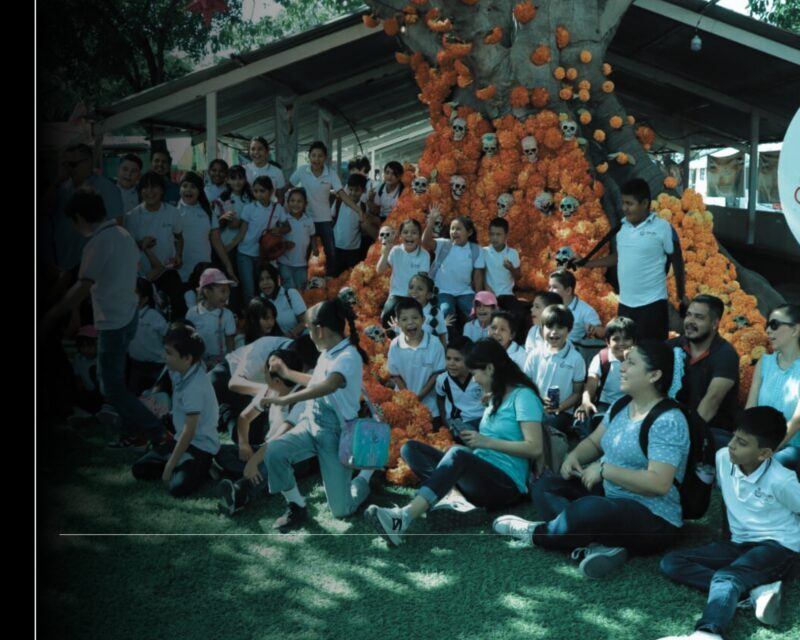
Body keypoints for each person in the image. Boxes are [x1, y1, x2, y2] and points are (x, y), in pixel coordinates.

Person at [494, 341, 690, 580]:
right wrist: (573, 456)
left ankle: (536, 533)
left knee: (590, 509)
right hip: (611, 500)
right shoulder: (621, 405)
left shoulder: (668, 420)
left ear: (654, 375)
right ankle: (597, 545)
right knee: (545, 486)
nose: (622, 367)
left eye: (631, 363)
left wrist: (606, 471)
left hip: (653, 518)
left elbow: (659, 483)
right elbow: (595, 443)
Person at [365, 338, 544, 546]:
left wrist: (484, 442)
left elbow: (534, 447)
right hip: (482, 473)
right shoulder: (496, 396)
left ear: (490, 368)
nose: (474, 380)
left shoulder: (523, 397)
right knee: (410, 449)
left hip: (506, 485)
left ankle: (404, 517)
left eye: (475, 373)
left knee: (458, 454)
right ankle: (458, 500)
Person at [658, 406, 800, 639]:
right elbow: (728, 501)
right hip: (739, 543)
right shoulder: (723, 457)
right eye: (734, 436)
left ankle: (708, 633)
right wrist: (727, 539)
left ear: (764, 453)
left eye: (743, 443)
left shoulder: (782, 480)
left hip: (779, 546)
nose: (732, 444)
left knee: (727, 577)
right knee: (672, 562)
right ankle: (754, 592)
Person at [41, 190, 167, 446]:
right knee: (115, 384)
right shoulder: (123, 235)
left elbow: (82, 287)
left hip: (113, 322)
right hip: (127, 315)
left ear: (78, 218)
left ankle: (156, 431)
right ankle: (136, 430)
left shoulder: (97, 243)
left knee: (112, 388)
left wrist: (52, 314)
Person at [260, 298, 372, 530]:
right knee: (275, 452)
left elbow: (329, 385)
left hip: (336, 435)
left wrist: (285, 399)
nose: (308, 334)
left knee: (342, 511)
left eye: (309, 328)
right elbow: (316, 382)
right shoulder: (327, 353)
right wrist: (287, 372)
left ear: (319, 329)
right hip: (311, 425)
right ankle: (296, 507)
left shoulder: (348, 356)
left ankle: (366, 476)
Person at [579, 179, 688, 340]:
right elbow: (619, 257)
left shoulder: (663, 228)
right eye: (623, 203)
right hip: (626, 306)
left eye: (630, 203)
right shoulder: (622, 228)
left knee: (653, 354)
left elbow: (677, 261)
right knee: (626, 353)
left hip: (653, 305)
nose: (624, 208)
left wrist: (681, 294)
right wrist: (587, 264)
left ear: (644, 203)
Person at [131, 323, 220, 497]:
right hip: (180, 440)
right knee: (139, 470)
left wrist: (169, 466)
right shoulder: (179, 370)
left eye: (169, 353)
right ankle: (181, 462)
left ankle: (203, 466)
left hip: (200, 446)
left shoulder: (195, 386)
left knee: (177, 488)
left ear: (187, 358)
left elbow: (189, 432)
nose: (164, 357)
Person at [668, 295, 740, 450]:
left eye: (699, 317)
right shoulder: (672, 347)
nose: (690, 322)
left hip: (711, 429)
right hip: (671, 423)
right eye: (688, 315)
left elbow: (712, 401)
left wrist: (682, 437)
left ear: (714, 324)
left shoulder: (725, 354)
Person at [286, 141, 363, 278]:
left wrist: (358, 209)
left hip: (325, 220)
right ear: (309, 156)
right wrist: (282, 209)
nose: (316, 159)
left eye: (320, 156)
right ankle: (302, 281)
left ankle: (330, 281)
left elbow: (342, 194)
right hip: (306, 218)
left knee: (331, 253)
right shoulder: (302, 170)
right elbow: (288, 187)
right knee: (304, 251)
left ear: (325, 158)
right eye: (313, 155)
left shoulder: (331, 173)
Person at [47, 143, 124, 273]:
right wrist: (56, 182)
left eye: (73, 165)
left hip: (92, 268)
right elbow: (45, 211)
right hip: (63, 265)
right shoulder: (62, 189)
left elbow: (116, 228)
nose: (69, 170)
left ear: (89, 162)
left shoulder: (107, 189)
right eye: (65, 165)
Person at [745, 303, 800, 473]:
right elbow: (750, 409)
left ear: (795, 330)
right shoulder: (764, 362)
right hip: (758, 443)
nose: (768, 331)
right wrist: (745, 442)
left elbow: (796, 422)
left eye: (774, 325)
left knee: (772, 465)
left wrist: (766, 451)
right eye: (767, 325)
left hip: (790, 446)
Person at [522, 304, 587, 435]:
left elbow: (577, 393)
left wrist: (560, 407)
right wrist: (538, 399)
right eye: (549, 327)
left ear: (569, 330)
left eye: (560, 327)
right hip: (535, 406)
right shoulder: (535, 355)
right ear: (542, 328)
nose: (554, 332)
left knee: (547, 424)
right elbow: (525, 385)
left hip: (562, 413)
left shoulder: (576, 359)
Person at [387, 298, 446, 423]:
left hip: (430, 407)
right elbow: (395, 375)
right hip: (403, 404)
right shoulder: (394, 345)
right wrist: (408, 397)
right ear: (397, 323)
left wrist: (419, 397)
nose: (410, 323)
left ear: (423, 319)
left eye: (415, 318)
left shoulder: (435, 344)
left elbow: (437, 375)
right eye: (404, 319)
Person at [377, 219, 430, 324]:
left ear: (419, 236)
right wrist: (386, 250)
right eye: (405, 232)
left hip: (415, 296)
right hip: (397, 294)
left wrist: (414, 297)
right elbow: (379, 270)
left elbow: (422, 281)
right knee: (386, 316)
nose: (409, 235)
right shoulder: (395, 250)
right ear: (400, 236)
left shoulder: (424, 255)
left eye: (414, 233)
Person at [435, 336, 485, 434]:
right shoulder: (442, 380)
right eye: (448, 358)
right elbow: (440, 398)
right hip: (459, 424)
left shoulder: (480, 377)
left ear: (469, 359)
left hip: (483, 422)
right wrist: (445, 421)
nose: (451, 363)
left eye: (457, 359)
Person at [548, 270, 602, 343]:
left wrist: (594, 329)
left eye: (554, 287)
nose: (550, 290)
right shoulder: (547, 305)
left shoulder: (586, 310)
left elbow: (601, 332)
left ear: (568, 290)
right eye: (549, 287)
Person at [277, 187, 316, 291]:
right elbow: (277, 238)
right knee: (289, 287)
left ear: (305, 204)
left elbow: (312, 236)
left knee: (300, 289)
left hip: (301, 263)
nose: (296, 204)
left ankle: (299, 307)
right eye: (292, 201)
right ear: (288, 202)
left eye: (299, 201)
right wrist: (284, 244)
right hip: (284, 262)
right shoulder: (284, 219)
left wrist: (315, 248)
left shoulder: (309, 221)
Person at [332, 173, 368, 275]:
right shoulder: (339, 202)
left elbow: (364, 229)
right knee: (336, 276)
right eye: (350, 189)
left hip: (354, 250)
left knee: (351, 277)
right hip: (336, 247)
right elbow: (331, 217)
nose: (352, 193)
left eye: (356, 190)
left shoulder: (363, 207)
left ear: (363, 190)